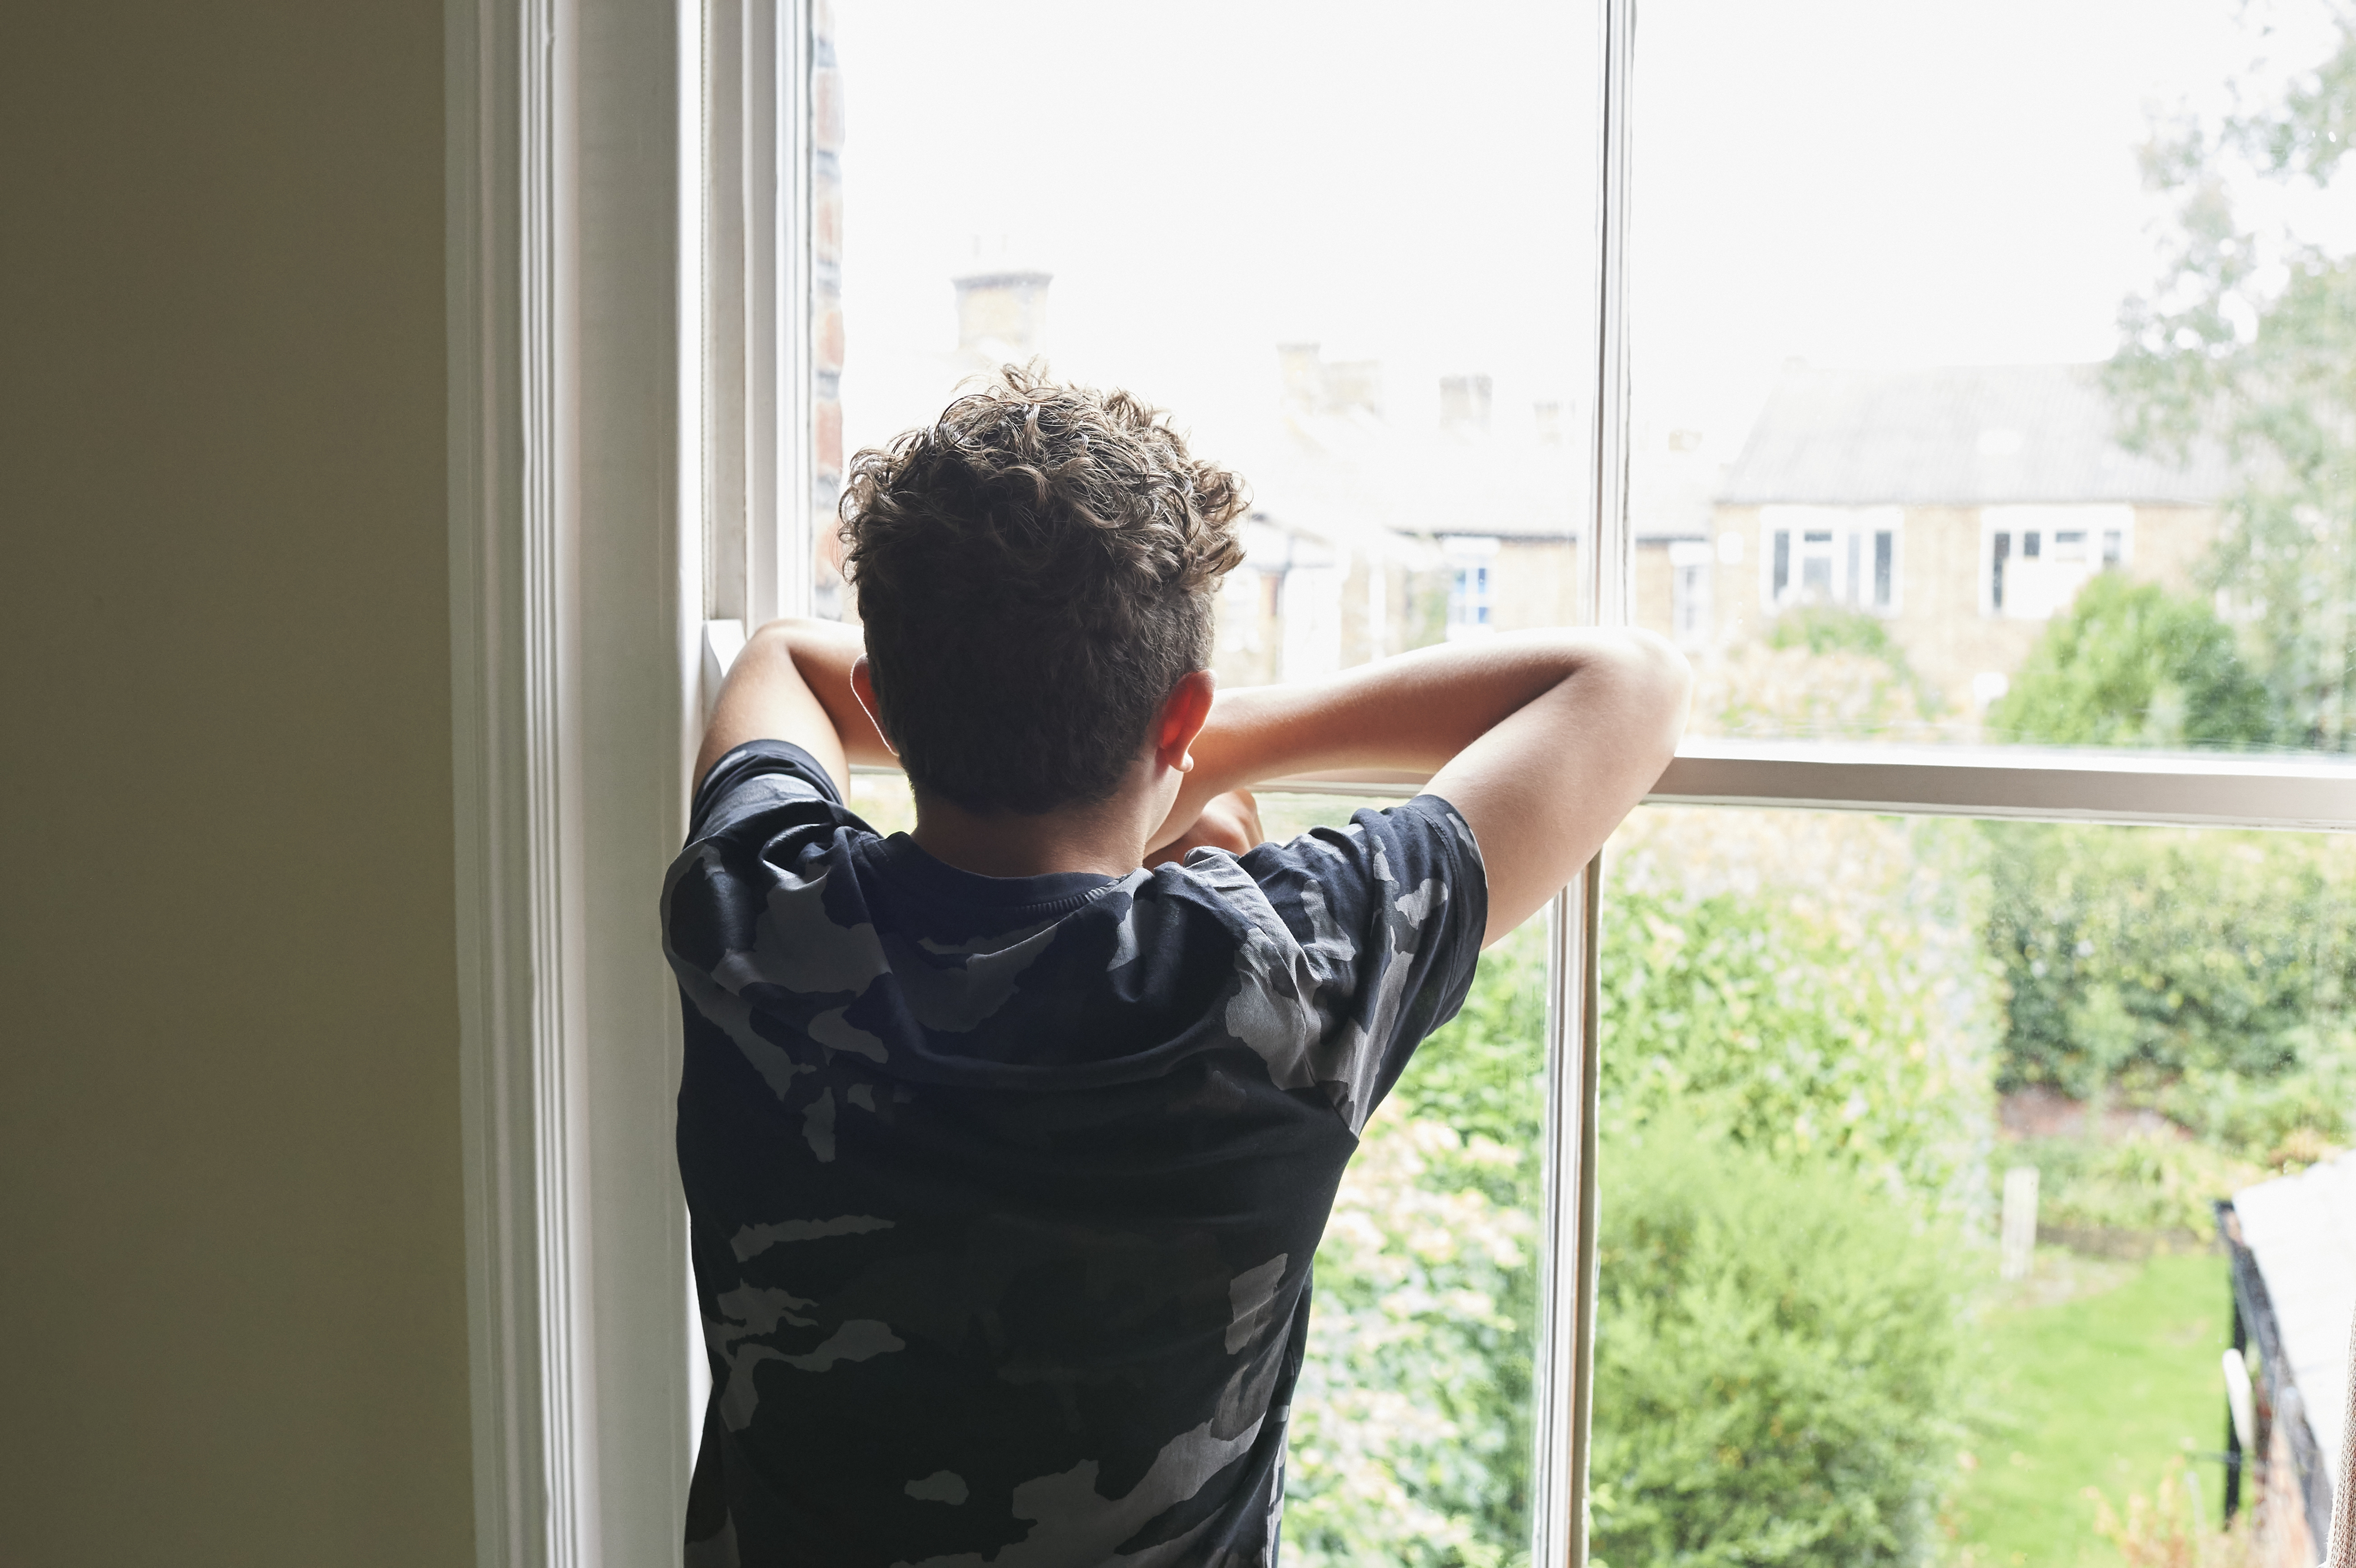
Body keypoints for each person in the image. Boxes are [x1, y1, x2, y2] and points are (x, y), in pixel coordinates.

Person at [662, 367, 1690, 1567]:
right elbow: (1628, 685)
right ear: (1179, 707)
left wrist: (1148, 738)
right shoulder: (1267, 971)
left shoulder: (756, 912)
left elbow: (784, 658)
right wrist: (1189, 746)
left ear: (883, 710)